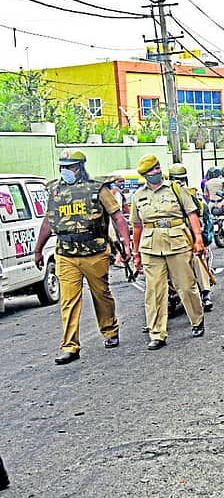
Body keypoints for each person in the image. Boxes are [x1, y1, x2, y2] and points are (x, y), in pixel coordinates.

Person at [34, 149, 132, 365]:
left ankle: (109, 330)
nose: (66, 171)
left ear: (80, 167)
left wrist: (126, 244)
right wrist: (38, 249)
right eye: (63, 167)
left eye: (70, 167)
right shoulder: (55, 190)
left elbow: (117, 217)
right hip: (66, 254)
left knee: (101, 294)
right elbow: (48, 222)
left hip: (94, 253)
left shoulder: (97, 189)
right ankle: (70, 346)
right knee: (68, 300)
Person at [131, 154, 206, 349]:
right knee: (154, 291)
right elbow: (137, 226)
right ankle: (157, 333)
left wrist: (198, 238)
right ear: (145, 175)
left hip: (177, 241)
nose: (156, 172)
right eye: (151, 170)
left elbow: (192, 214)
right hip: (150, 246)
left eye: (157, 168)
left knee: (186, 286)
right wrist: (136, 253)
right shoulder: (138, 196)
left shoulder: (176, 189)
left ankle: (197, 321)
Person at [168, 164, 214, 311]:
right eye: (176, 180)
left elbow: (205, 222)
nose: (178, 184)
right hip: (170, 243)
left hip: (191, 242)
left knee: (197, 259)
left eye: (181, 180)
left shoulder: (195, 199)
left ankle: (205, 293)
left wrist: (202, 241)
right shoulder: (165, 199)